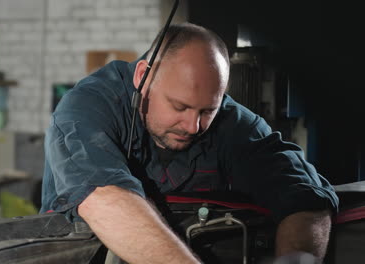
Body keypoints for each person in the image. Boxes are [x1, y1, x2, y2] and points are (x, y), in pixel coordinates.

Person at [40, 22, 338, 263]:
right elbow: (103, 198)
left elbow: (304, 193)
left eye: (208, 110)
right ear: (143, 77)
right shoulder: (87, 107)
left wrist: (298, 257)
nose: (194, 126)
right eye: (180, 107)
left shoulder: (230, 121)